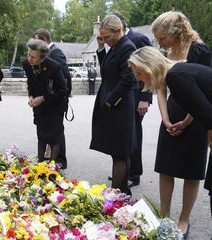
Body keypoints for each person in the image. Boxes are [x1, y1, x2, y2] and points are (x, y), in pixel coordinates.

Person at [128, 46, 212, 239]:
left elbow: (208, 116)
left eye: (139, 73)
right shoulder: (174, 74)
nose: (139, 78)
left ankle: (183, 220)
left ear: (149, 67)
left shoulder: (176, 76)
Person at [150, 11, 211, 236]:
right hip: (171, 115)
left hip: (197, 117)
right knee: (166, 168)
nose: (159, 42)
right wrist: (165, 119)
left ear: (175, 32)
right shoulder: (166, 52)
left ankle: (184, 220)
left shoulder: (199, 51)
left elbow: (205, 90)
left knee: (191, 171)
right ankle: (163, 217)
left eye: (162, 38)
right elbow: (161, 88)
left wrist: (186, 122)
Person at [90, 15, 137, 195]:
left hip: (119, 106)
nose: (106, 41)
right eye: (103, 38)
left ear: (118, 31)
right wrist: (101, 48)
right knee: (117, 152)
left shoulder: (127, 48)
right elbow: (107, 69)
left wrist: (110, 101)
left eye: (107, 37)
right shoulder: (116, 46)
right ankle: (122, 192)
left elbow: (128, 79)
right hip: (112, 104)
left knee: (120, 152)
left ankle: (117, 194)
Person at [111, 11, 153, 188]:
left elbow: (150, 68)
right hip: (124, 95)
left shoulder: (139, 38)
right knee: (124, 135)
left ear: (120, 26)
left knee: (134, 134)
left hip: (137, 95)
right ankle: (123, 170)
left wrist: (145, 97)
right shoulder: (116, 43)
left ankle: (134, 174)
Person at [22, 38, 68, 163]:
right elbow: (30, 83)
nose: (30, 59)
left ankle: (52, 167)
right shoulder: (26, 64)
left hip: (55, 105)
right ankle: (40, 165)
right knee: (41, 136)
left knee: (55, 137)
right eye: (28, 55)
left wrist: (43, 98)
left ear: (42, 58)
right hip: (39, 107)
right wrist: (31, 96)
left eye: (33, 57)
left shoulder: (53, 66)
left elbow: (62, 90)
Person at [33, 28, 71, 169]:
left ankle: (60, 160)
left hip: (55, 100)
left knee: (56, 132)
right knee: (47, 131)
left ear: (44, 40)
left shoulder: (56, 53)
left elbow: (65, 76)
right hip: (45, 101)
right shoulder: (42, 55)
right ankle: (50, 158)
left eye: (37, 40)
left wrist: (67, 92)